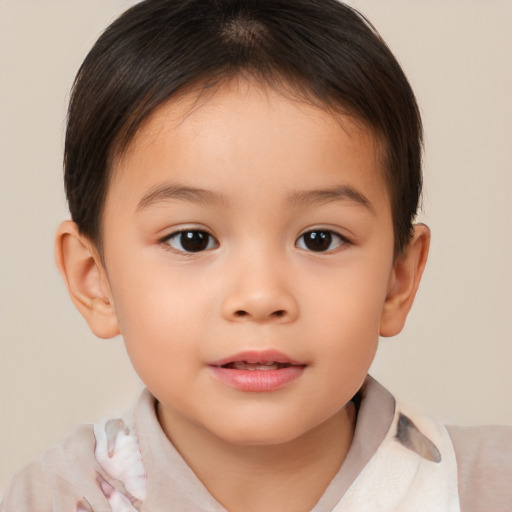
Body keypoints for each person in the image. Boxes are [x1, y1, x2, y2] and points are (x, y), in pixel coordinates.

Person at [1, 0, 511, 510]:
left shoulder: (490, 488)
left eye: (319, 239)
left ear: (398, 279)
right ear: (95, 279)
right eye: (192, 239)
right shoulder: (49, 499)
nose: (261, 296)